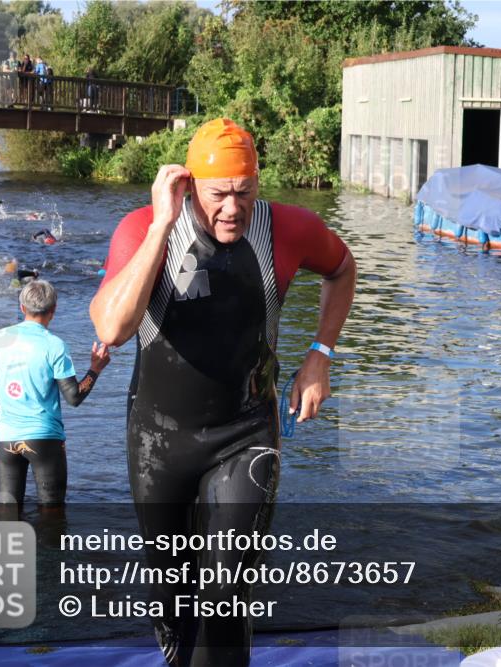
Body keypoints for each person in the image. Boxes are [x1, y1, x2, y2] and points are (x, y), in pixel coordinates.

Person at [90, 118, 356, 666]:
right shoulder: (141, 228)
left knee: (226, 595)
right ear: (188, 186)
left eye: (245, 192)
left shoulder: (288, 229)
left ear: (258, 183)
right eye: (218, 195)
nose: (232, 209)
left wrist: (319, 356)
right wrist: (164, 225)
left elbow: (343, 266)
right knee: (173, 604)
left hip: (246, 434)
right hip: (159, 444)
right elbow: (111, 329)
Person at [0, 280, 110, 510]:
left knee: (7, 512)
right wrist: (96, 369)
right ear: (54, 310)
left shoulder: (1, 337)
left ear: (22, 308)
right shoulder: (55, 345)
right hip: (44, 439)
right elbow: (74, 397)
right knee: (52, 515)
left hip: (8, 437)